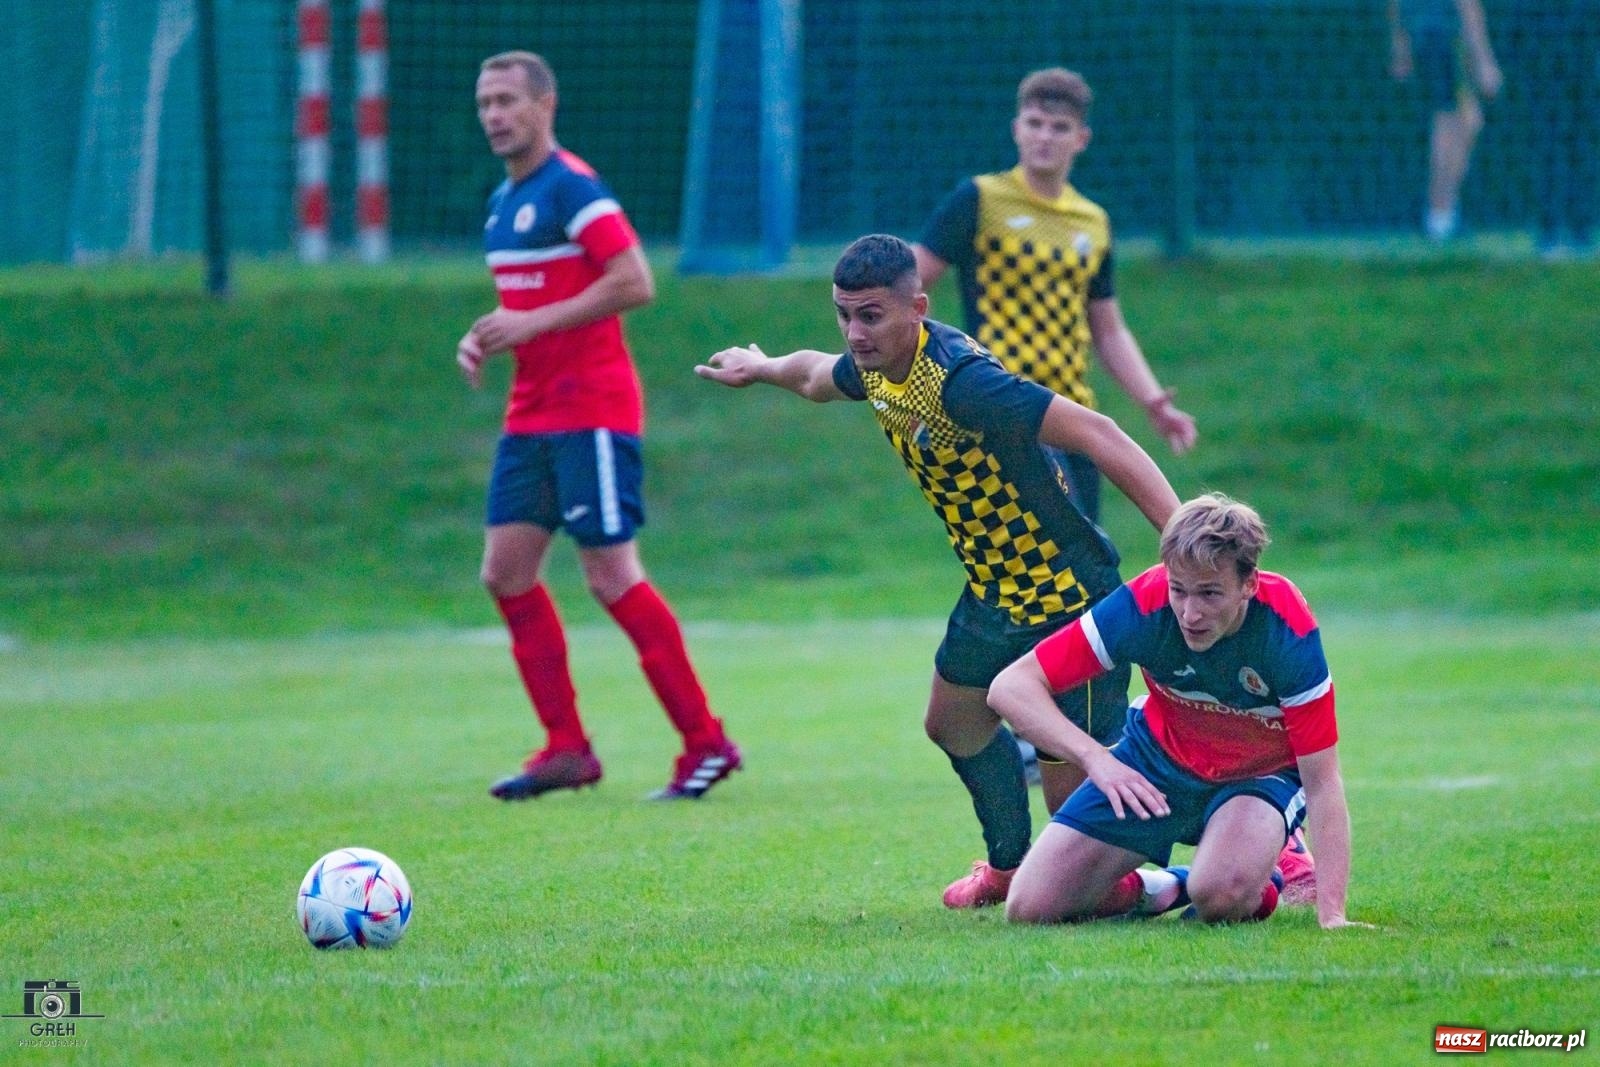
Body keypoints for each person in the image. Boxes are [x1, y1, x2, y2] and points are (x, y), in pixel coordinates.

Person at [696, 233, 1180, 908]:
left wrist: (1181, 535)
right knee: (954, 722)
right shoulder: (875, 366)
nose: (854, 332)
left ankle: (1174, 880)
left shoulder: (965, 383)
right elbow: (813, 375)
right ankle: (1010, 866)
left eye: (870, 315)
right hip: (993, 591)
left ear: (916, 307)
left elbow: (1100, 434)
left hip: (1068, 591)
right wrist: (762, 363)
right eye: (844, 314)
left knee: (1077, 847)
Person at [459, 50, 741, 802]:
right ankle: (566, 748)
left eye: (508, 100)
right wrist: (486, 336)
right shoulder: (503, 202)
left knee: (611, 575)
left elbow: (633, 281)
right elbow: (528, 305)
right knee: (505, 573)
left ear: (545, 105)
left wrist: (527, 322)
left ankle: (706, 744)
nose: (494, 114)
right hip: (532, 414)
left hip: (592, 410)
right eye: (485, 101)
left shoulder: (573, 189)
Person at [989, 495, 1361, 927]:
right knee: (1031, 907)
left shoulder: (1286, 631)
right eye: (1179, 589)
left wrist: (1332, 916)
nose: (1190, 612)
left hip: (1260, 774)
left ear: (1249, 584)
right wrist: (1097, 759)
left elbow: (1322, 781)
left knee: (1219, 896)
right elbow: (1010, 687)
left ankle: (1262, 867)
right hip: (1158, 759)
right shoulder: (1143, 605)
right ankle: (1162, 887)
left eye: (1209, 593)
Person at [912, 67, 1197, 529]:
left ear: (1081, 138)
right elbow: (910, 284)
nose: (1045, 137)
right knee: (1021, 568)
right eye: (1034, 123)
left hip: (1071, 417)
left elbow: (1108, 329)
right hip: (998, 413)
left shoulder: (1092, 221)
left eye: (1059, 127)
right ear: (1016, 129)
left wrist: (1151, 400)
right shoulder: (980, 200)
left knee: (1089, 567)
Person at [1387, 0, 1504, 241]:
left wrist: (1400, 44)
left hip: (1423, 32)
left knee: (1458, 119)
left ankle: (1443, 210)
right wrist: (1483, 59)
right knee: (1455, 122)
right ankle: (1441, 212)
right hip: (1448, 34)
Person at [1513, 1, 1599, 258]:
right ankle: (1550, 230)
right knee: (1550, 143)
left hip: (1584, 47)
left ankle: (1580, 230)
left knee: (1581, 142)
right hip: (1545, 49)